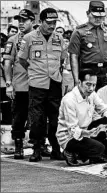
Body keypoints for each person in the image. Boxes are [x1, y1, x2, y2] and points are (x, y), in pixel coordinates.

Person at [18, 8, 68, 162]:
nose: (52, 26)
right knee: (37, 118)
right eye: (49, 23)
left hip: (54, 82)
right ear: (41, 22)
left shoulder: (59, 38)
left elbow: (61, 60)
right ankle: (37, 149)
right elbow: (22, 60)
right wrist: (34, 70)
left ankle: (56, 148)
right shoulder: (28, 38)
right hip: (37, 84)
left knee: (55, 118)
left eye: (54, 23)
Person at [3, 9, 49, 159]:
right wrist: (9, 84)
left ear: (33, 21)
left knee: (40, 117)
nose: (21, 23)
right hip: (20, 85)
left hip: (38, 84)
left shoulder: (41, 38)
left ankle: (40, 144)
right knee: (18, 116)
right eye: (19, 21)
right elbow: (7, 63)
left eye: (25, 20)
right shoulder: (12, 40)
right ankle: (18, 146)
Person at [56, 68, 107, 166]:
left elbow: (104, 108)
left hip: (86, 129)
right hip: (69, 137)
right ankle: (70, 152)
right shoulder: (69, 100)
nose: (91, 88)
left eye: (94, 85)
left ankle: (90, 155)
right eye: (88, 84)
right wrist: (88, 133)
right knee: (99, 148)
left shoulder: (92, 94)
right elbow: (73, 130)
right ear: (79, 82)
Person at [68, 1, 107, 91]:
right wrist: (76, 80)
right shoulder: (79, 32)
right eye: (95, 16)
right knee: (88, 100)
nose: (98, 19)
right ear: (88, 14)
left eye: (101, 16)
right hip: (88, 71)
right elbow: (74, 57)